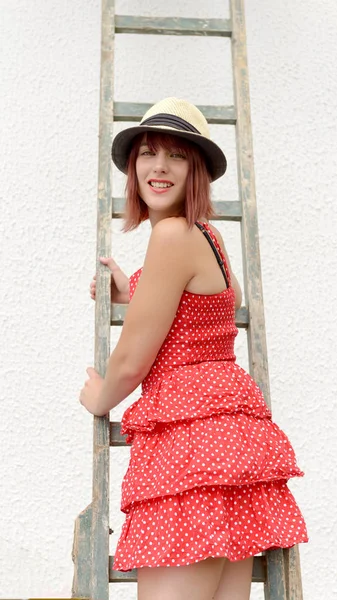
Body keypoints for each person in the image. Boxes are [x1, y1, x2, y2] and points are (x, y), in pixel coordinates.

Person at [80, 97, 308, 600]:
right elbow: (212, 306)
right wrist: (137, 290)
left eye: (176, 156)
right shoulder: (210, 236)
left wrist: (99, 397)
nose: (159, 167)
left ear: (196, 170)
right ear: (134, 164)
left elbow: (135, 355)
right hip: (228, 442)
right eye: (148, 153)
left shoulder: (171, 236)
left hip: (190, 449)